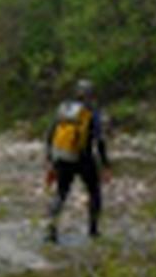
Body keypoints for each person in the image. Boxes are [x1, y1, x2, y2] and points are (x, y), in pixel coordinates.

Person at [44, 79, 111, 243]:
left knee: (61, 193)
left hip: (62, 158)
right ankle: (93, 231)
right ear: (91, 95)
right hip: (84, 158)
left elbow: (50, 136)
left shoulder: (64, 110)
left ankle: (51, 231)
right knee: (94, 192)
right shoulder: (91, 112)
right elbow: (100, 140)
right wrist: (106, 165)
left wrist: (51, 161)